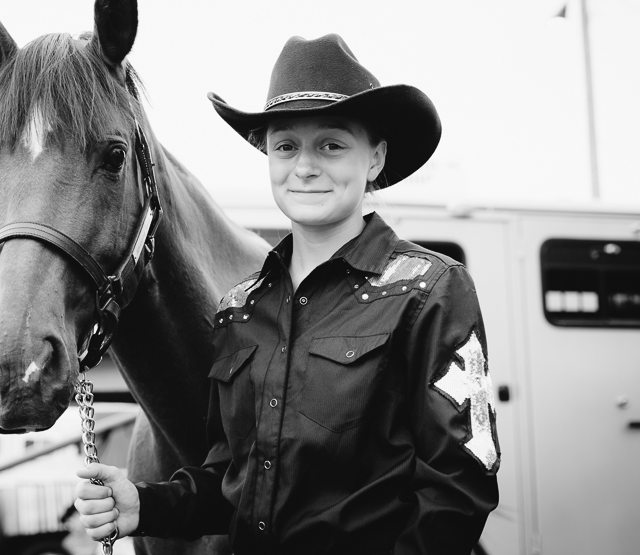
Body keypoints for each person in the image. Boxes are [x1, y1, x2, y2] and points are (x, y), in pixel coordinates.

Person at [75, 34, 500, 554]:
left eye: (332, 144)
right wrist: (145, 504)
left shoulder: (431, 290)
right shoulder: (240, 309)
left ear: (375, 159)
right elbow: (233, 484)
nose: (304, 166)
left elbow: (459, 488)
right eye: (286, 146)